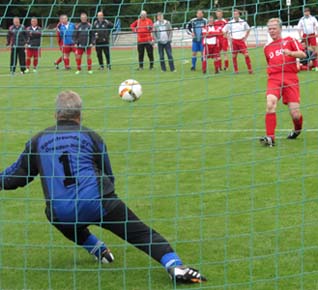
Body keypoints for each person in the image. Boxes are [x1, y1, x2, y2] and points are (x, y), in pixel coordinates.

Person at [0, 91, 207, 285]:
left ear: (55, 114)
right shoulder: (91, 136)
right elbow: (107, 174)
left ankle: (98, 250)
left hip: (61, 213)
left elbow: (16, 177)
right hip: (100, 202)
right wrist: (110, 203)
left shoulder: (37, 141)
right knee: (141, 234)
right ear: (80, 115)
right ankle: (175, 266)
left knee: (53, 212)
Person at [260, 18, 306, 147]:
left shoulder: (290, 40)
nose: (272, 31)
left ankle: (297, 130)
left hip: (290, 78)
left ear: (280, 28)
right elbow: (270, 64)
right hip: (274, 78)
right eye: (269, 29)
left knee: (295, 114)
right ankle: (270, 137)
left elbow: (303, 54)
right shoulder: (267, 48)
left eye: (274, 28)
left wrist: (290, 53)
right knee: (270, 104)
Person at [222, 9, 253, 74]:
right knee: (234, 56)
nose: (235, 15)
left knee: (246, 55)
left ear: (239, 14)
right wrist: (228, 38)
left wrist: (245, 37)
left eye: (236, 14)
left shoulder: (243, 22)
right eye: (234, 14)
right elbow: (223, 30)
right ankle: (236, 71)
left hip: (241, 41)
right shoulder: (230, 23)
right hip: (234, 41)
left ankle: (250, 69)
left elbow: (248, 29)